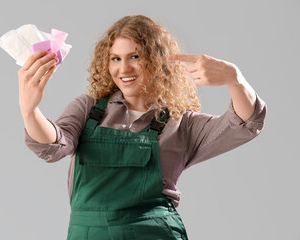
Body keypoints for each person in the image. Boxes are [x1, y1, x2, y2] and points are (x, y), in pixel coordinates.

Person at [18, 15, 266, 240]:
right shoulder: (89, 109)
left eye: (134, 57)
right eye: (116, 58)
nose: (123, 69)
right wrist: (31, 111)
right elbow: (54, 145)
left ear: (158, 61)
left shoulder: (181, 123)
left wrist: (235, 80)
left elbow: (242, 124)